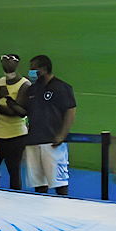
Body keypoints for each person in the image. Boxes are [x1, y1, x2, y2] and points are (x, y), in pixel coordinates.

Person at [22, 54, 76, 196]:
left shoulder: (61, 87)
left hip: (53, 142)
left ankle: (63, 212)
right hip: (33, 141)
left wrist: (62, 135)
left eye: (34, 69)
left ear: (44, 69)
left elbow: (70, 110)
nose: (31, 72)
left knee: (60, 184)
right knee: (38, 184)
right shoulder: (32, 89)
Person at [0, 54, 30, 190]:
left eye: (11, 61)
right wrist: (1, 99)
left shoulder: (25, 85)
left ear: (17, 64)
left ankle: (15, 200)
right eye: (4, 60)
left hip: (15, 136)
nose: (7, 64)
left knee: (14, 171)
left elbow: (19, 113)